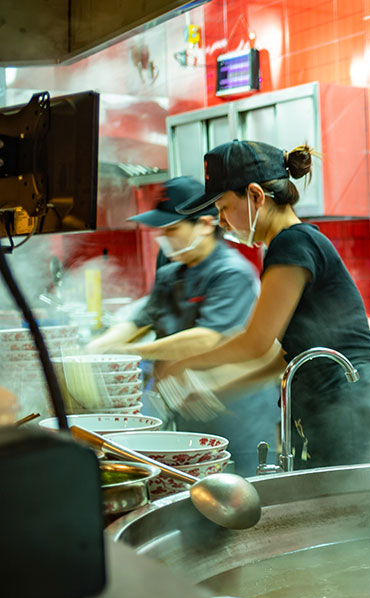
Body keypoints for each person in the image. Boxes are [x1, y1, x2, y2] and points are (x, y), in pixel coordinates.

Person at [161, 140, 370, 470]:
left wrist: (184, 364)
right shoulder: (294, 243)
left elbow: (255, 342)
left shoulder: (291, 243)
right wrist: (215, 388)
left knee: (349, 500)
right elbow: (282, 357)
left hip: (344, 411)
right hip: (335, 406)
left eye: (224, 207)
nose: (221, 221)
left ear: (255, 196)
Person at [87, 176, 278, 476]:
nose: (164, 238)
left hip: (237, 416)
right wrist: (98, 347)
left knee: (243, 494)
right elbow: (138, 321)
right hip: (189, 415)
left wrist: (127, 351)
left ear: (204, 225)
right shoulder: (171, 275)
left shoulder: (232, 273)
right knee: (196, 494)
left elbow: (207, 338)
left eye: (172, 229)